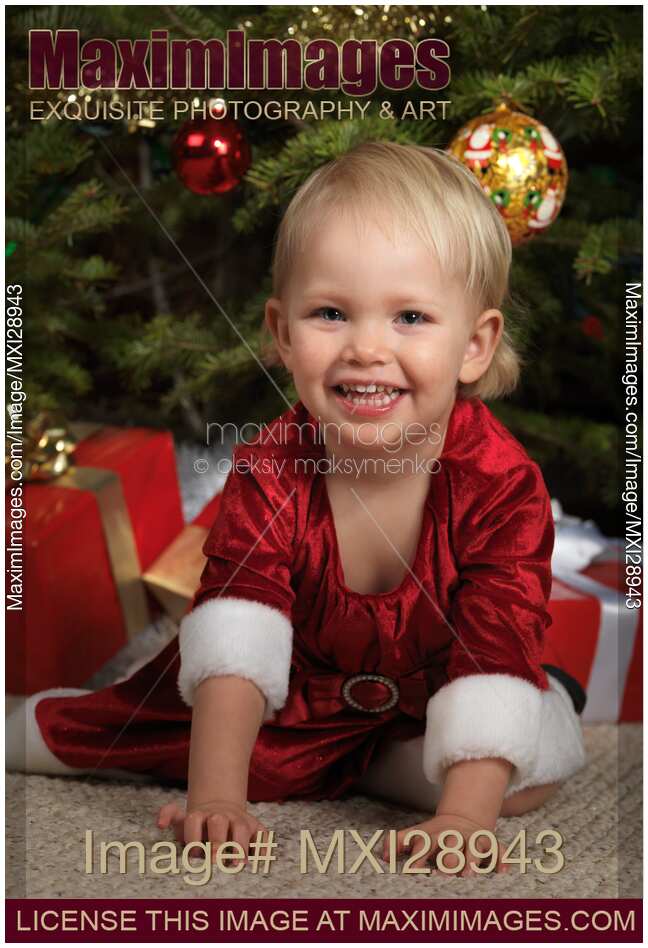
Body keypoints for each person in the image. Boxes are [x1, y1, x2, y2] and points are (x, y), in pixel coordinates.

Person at [7, 141, 586, 876]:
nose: (367, 348)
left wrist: (462, 817)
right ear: (282, 334)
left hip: (430, 694)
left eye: (410, 316)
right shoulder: (272, 467)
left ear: (474, 345)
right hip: (291, 702)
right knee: (101, 738)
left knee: (521, 771)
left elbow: (491, 643)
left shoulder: (500, 485)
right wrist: (217, 795)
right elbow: (236, 625)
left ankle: (444, 738)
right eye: (331, 313)